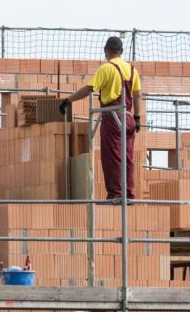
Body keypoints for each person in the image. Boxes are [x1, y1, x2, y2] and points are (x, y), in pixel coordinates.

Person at [59, 36, 142, 200]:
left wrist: (68, 100)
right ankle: (128, 195)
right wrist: (137, 118)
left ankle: (116, 196)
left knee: (112, 157)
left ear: (106, 51)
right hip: (128, 118)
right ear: (122, 51)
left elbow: (89, 89)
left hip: (113, 117)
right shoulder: (132, 70)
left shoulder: (106, 69)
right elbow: (137, 95)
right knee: (127, 158)